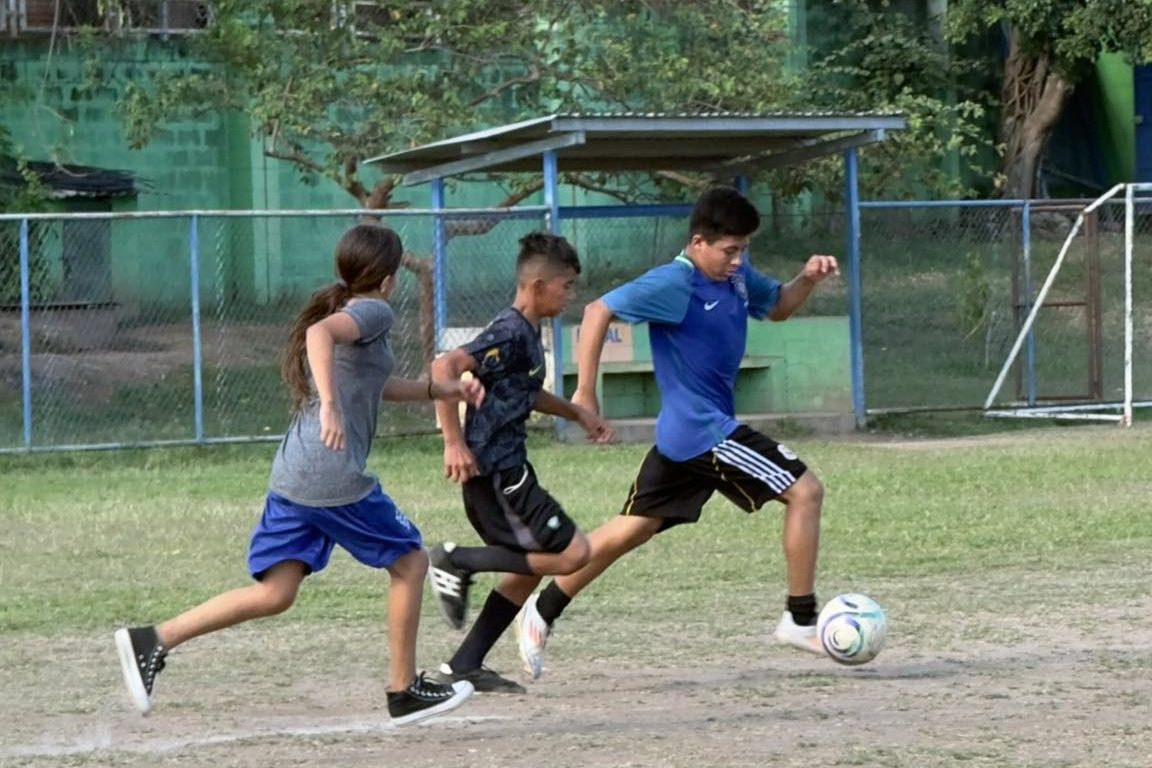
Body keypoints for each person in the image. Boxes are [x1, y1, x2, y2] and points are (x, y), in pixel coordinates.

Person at [114, 224, 481, 726]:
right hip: (330, 476)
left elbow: (374, 383)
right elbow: (318, 335)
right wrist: (329, 405)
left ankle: (152, 640)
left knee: (276, 593)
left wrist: (442, 393)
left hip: (295, 473)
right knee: (412, 562)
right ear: (391, 279)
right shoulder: (374, 309)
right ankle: (403, 691)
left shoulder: (356, 311)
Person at [515, 186, 840, 679]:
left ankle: (542, 609)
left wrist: (808, 278)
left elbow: (779, 307)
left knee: (631, 529)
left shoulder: (734, 277)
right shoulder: (675, 283)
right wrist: (584, 392)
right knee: (806, 491)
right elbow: (599, 309)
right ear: (697, 242)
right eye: (729, 251)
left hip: (683, 439)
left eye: (743, 249)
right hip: (705, 433)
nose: (738, 260)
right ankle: (799, 618)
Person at [423, 232, 613, 694]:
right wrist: (453, 441)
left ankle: (464, 663)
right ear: (537, 285)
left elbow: (523, 392)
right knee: (573, 554)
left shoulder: (524, 335)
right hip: (499, 475)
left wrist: (576, 412)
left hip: (506, 470)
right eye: (565, 286)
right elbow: (444, 368)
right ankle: (456, 560)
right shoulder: (508, 332)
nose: (571, 295)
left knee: (529, 568)